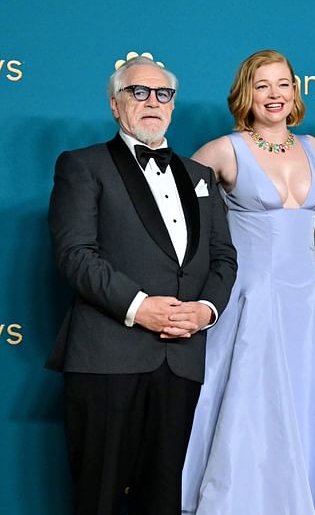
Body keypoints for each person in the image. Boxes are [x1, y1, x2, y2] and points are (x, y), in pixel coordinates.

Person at [180, 50, 315, 514]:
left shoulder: (314, 147)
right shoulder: (223, 150)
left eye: (283, 84)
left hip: (310, 301)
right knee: (249, 405)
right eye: (263, 85)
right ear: (246, 92)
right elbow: (176, 218)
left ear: (294, 92)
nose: (274, 95)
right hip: (250, 299)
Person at [47, 56, 238, 514]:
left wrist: (205, 310)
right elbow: (75, 255)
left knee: (163, 499)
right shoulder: (82, 165)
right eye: (138, 92)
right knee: (100, 497)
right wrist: (140, 306)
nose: (152, 102)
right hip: (107, 358)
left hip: (182, 360)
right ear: (115, 105)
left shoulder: (200, 176)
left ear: (173, 106)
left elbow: (224, 258)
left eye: (163, 94)